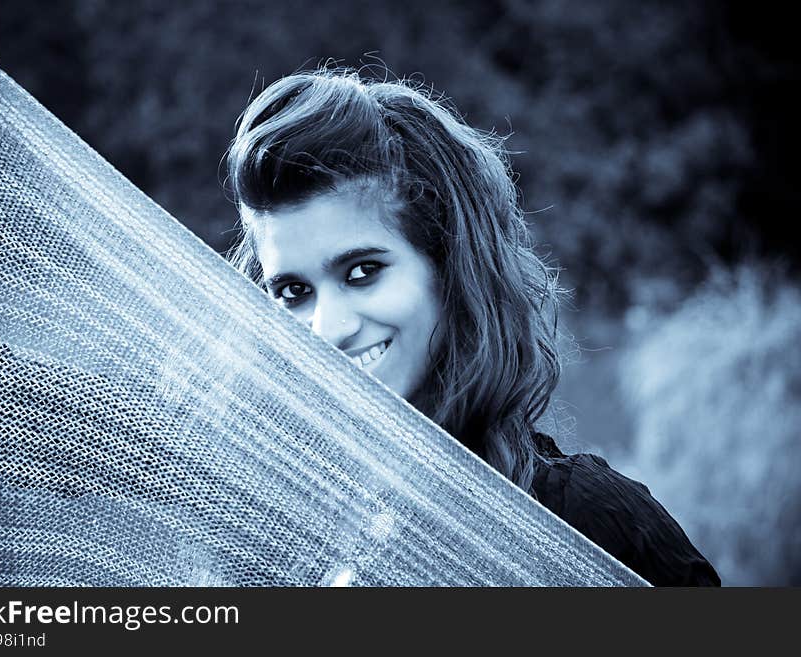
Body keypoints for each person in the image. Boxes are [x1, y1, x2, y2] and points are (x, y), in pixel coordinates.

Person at [226, 67, 720, 586]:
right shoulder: (291, 542)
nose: (327, 329)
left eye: (362, 273)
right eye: (293, 292)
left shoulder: (585, 524)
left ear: (449, 269)